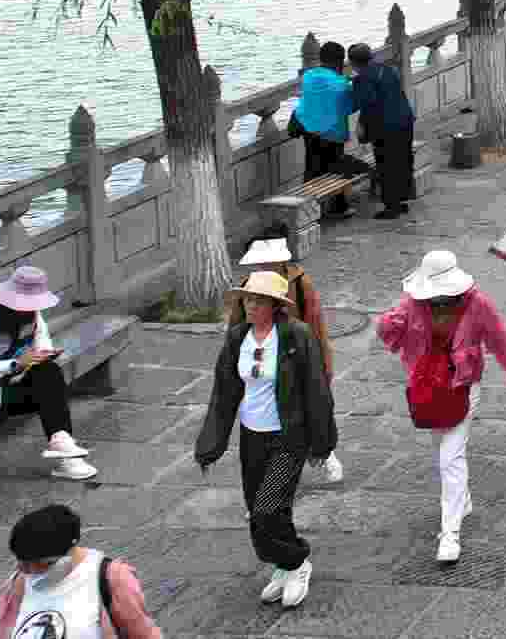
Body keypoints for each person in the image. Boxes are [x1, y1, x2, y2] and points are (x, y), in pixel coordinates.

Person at [375, 249, 506, 564]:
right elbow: (387, 331)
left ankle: (450, 534)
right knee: (443, 450)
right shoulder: (413, 304)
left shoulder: (477, 304)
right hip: (428, 388)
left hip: (463, 387)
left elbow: (502, 341)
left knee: (450, 457)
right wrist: (389, 322)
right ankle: (463, 500)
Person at [191, 270, 336, 610]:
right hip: (252, 436)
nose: (251, 306)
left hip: (288, 438)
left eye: (258, 301)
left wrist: (322, 443)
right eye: (247, 300)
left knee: (265, 509)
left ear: (275, 306)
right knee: (264, 509)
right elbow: (224, 393)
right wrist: (209, 446)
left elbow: (316, 389)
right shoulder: (237, 338)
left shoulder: (296, 335)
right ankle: (284, 566)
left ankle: (297, 561)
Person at [0, 266, 98, 482]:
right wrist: (16, 364)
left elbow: (42, 339)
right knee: (50, 391)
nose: (32, 310)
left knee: (49, 372)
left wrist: (44, 353)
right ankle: (65, 450)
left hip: (13, 384)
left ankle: (62, 444)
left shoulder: (31, 313)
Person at [238, 233, 343, 481]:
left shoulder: (300, 282)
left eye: (268, 262)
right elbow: (238, 325)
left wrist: (323, 364)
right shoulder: (248, 284)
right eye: (260, 262)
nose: (263, 266)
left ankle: (324, 452)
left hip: (296, 359)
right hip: (265, 361)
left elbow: (316, 326)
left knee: (311, 410)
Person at [0, 502, 163, 639]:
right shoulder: (19, 582)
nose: (26, 571)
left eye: (39, 563)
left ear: (68, 551)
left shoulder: (110, 578)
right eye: (22, 562)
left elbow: (143, 634)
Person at [293, 38, 366, 218]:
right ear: (340, 61)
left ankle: (307, 210)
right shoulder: (340, 83)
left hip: (308, 130)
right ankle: (338, 208)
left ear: (320, 58)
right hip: (332, 134)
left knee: (312, 168)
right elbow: (350, 107)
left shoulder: (308, 76)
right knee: (336, 170)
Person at [346, 41, 418, 219]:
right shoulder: (387, 69)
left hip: (386, 128)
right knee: (403, 161)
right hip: (405, 121)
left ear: (353, 63)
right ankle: (402, 200)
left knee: (387, 165)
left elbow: (364, 104)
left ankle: (391, 207)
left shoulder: (362, 78)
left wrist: (362, 127)